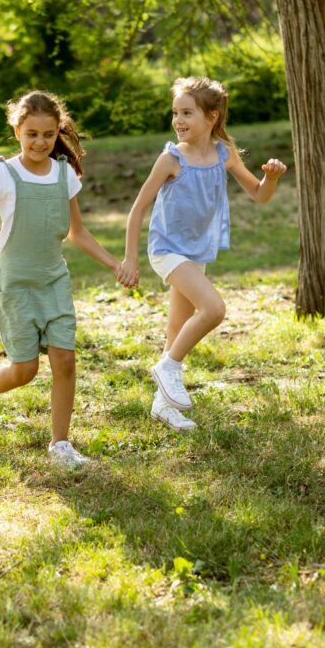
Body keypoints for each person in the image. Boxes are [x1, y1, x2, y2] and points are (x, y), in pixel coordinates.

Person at [0, 91, 135, 468]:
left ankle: (60, 445)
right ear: (17, 130)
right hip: (16, 283)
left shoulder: (65, 173)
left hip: (54, 280)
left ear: (57, 132)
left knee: (64, 360)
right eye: (31, 134)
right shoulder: (3, 173)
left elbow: (77, 233)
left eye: (48, 134)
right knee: (25, 370)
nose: (40, 142)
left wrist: (115, 264)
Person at [121, 76, 287, 430]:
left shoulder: (223, 154)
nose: (178, 120)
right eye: (175, 112)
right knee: (213, 310)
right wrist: (130, 259)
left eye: (187, 113)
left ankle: (163, 406)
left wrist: (271, 177)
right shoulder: (171, 159)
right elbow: (137, 209)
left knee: (177, 329)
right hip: (167, 250)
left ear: (211, 117)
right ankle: (168, 368)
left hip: (197, 254)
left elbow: (259, 194)